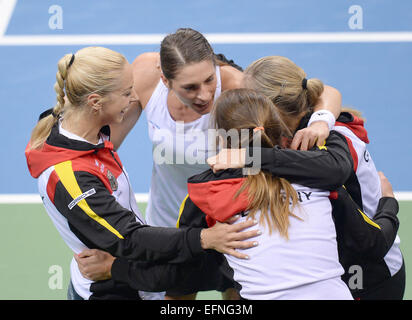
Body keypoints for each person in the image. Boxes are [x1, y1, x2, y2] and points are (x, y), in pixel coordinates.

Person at [104, 28, 343, 299]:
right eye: (190, 88)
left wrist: (321, 120)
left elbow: (321, 92)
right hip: (173, 225)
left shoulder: (240, 88)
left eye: (209, 80)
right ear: (165, 80)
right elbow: (108, 144)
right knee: (176, 299)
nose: (205, 95)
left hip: (237, 225)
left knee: (236, 297)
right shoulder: (145, 75)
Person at [24, 46, 260, 300]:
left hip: (132, 273)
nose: (136, 97)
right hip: (111, 287)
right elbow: (130, 238)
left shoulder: (84, 129)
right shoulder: (71, 177)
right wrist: (204, 240)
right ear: (95, 102)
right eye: (126, 93)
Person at [208, 55, 405, 299]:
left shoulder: (330, 142)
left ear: (273, 110)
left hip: (370, 273)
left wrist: (251, 156)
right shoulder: (301, 134)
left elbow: (366, 238)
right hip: (335, 269)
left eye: (253, 102)